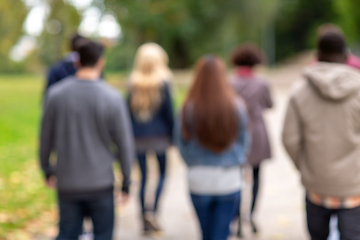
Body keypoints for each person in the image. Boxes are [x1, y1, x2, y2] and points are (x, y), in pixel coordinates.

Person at [40, 41, 135, 240]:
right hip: (100, 183)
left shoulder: (55, 95)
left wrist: (47, 168)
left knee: (67, 233)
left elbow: (45, 137)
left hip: (67, 181)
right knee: (103, 234)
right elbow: (125, 144)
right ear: (101, 62)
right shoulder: (113, 98)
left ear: (77, 62)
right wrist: (126, 181)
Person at [282, 31, 360, 240]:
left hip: (315, 184)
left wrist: (307, 165)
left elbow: (289, 138)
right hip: (354, 186)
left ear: (317, 55)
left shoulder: (299, 90)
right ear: (346, 56)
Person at [174, 56, 251, 240]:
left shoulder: (187, 107)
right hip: (229, 177)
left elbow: (180, 142)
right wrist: (236, 161)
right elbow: (244, 140)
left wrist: (193, 162)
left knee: (206, 233)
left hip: (199, 177)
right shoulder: (236, 106)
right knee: (221, 233)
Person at [127, 43, 174, 235]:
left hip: (138, 137)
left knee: (143, 177)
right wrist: (173, 135)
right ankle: (152, 210)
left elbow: (127, 112)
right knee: (163, 173)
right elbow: (169, 112)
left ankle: (143, 219)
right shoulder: (163, 82)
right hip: (160, 136)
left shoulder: (132, 82)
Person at [229, 43, 273, 236]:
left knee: (236, 177)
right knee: (256, 177)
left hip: (235, 132)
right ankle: (252, 215)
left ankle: (236, 217)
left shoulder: (229, 82)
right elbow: (270, 104)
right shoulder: (262, 83)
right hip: (257, 132)